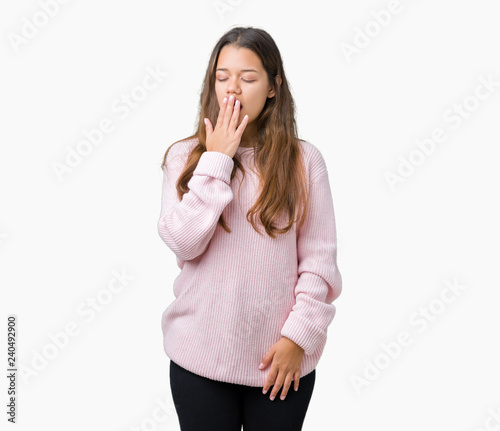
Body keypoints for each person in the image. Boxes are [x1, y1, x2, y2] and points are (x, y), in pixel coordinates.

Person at [157, 26, 342, 431]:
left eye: (248, 77)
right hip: (198, 356)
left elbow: (318, 262)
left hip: (280, 363)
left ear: (273, 87)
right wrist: (217, 159)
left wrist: (299, 338)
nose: (233, 89)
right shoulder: (184, 157)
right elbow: (184, 243)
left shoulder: (304, 162)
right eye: (222, 77)